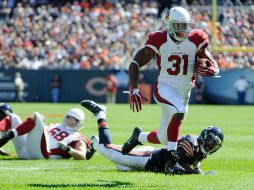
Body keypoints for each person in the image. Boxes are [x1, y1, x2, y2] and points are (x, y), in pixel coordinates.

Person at [123, 7, 220, 174]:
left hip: (184, 91)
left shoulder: (196, 38)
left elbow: (209, 60)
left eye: (185, 26)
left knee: (164, 137)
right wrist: (134, 89)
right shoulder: (159, 39)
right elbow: (135, 63)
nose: (182, 30)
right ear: (169, 25)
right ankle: (171, 160)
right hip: (164, 87)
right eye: (178, 26)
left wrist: (214, 69)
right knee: (179, 112)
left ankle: (138, 136)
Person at [80, 100, 224, 175]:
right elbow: (175, 166)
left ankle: (94, 144)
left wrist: (200, 172)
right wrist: (195, 174)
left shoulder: (200, 149)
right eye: (211, 141)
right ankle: (100, 113)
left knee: (122, 168)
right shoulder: (191, 143)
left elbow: (195, 163)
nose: (211, 146)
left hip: (149, 164)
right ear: (204, 136)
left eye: (214, 145)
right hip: (146, 158)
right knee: (106, 149)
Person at [0, 103, 95, 160]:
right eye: (70, 118)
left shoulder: (78, 137)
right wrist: (41, 125)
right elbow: (40, 132)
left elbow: (83, 156)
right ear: (66, 117)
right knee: (13, 117)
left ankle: (5, 137)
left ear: (80, 123)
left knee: (37, 116)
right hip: (26, 149)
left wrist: (69, 149)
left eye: (75, 120)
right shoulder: (57, 125)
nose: (71, 121)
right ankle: (2, 137)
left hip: (42, 154)